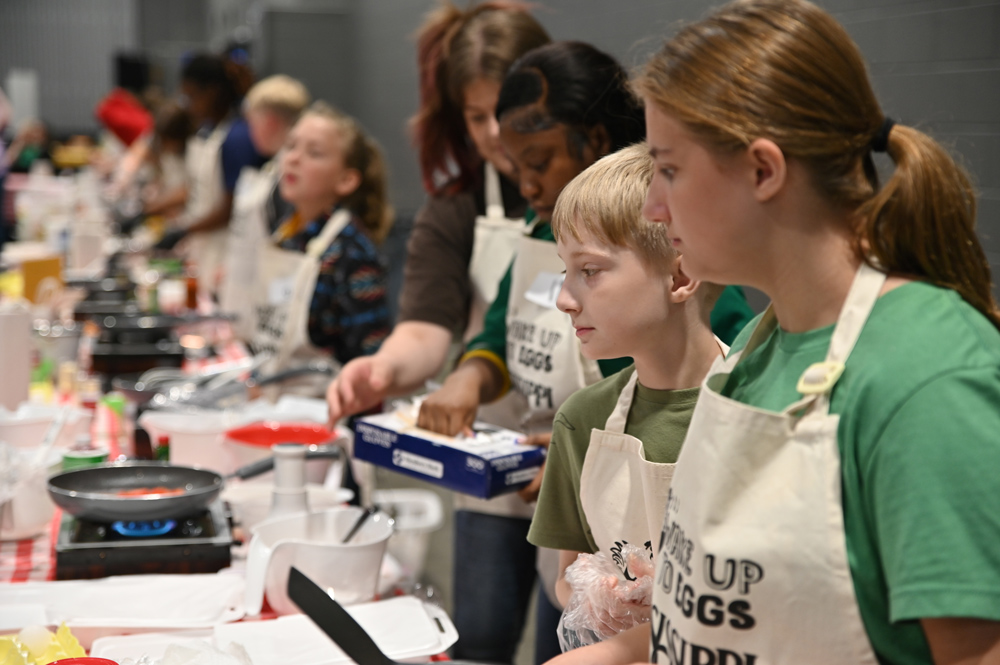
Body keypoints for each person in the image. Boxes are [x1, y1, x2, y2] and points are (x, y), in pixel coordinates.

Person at [551, 1, 1000, 663]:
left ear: (763, 171)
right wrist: (623, 652)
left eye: (669, 170)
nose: (653, 206)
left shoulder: (926, 371)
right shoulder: (757, 353)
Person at [325, 4, 551, 663]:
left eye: (502, 112)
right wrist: (385, 367)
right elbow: (428, 324)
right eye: (474, 117)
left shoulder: (594, 196)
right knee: (479, 635)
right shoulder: (456, 208)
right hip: (489, 447)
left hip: (597, 457)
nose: (491, 134)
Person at [528, 143, 725, 650]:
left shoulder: (752, 409)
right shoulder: (582, 420)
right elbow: (564, 576)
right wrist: (601, 601)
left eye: (589, 271)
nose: (565, 299)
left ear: (679, 277)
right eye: (565, 270)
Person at [248, 101, 391, 378]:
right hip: (272, 391)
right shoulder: (287, 232)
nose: (293, 159)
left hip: (323, 404)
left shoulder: (352, 252)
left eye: (314, 153)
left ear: (346, 180)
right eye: (290, 146)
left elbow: (370, 358)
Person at [153, 53, 261, 297]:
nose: (188, 105)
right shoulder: (206, 132)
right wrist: (149, 209)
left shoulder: (237, 138)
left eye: (191, 96)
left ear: (211, 92)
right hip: (204, 245)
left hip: (227, 249)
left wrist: (184, 230)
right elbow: (194, 189)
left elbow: (229, 209)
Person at [219, 74, 310, 340]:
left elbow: (288, 256)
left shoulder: (289, 179)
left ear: (269, 121)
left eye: (252, 122)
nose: (250, 131)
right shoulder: (271, 170)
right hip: (249, 302)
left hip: (266, 309)